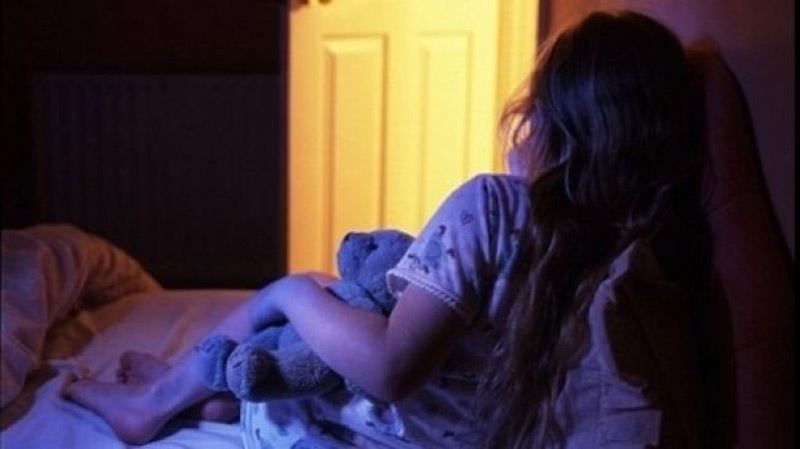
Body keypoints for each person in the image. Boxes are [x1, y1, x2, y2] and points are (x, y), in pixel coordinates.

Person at [64, 10, 711, 448]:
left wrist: (288, 291)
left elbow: (388, 369)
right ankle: (196, 389)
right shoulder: (630, 247)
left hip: (372, 425)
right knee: (328, 311)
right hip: (460, 426)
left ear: (556, 124)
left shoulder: (495, 208)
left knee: (302, 291)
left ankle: (154, 402)